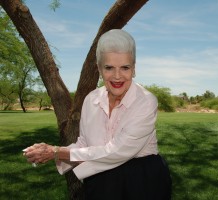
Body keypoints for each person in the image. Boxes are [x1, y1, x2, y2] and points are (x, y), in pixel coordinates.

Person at [23, 29, 172, 200]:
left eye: (125, 67)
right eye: (109, 68)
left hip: (142, 180)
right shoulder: (91, 99)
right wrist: (48, 152)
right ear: (99, 69)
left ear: (134, 69)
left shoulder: (146, 101)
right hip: (100, 178)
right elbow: (84, 143)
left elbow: (117, 151)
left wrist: (57, 152)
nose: (117, 76)